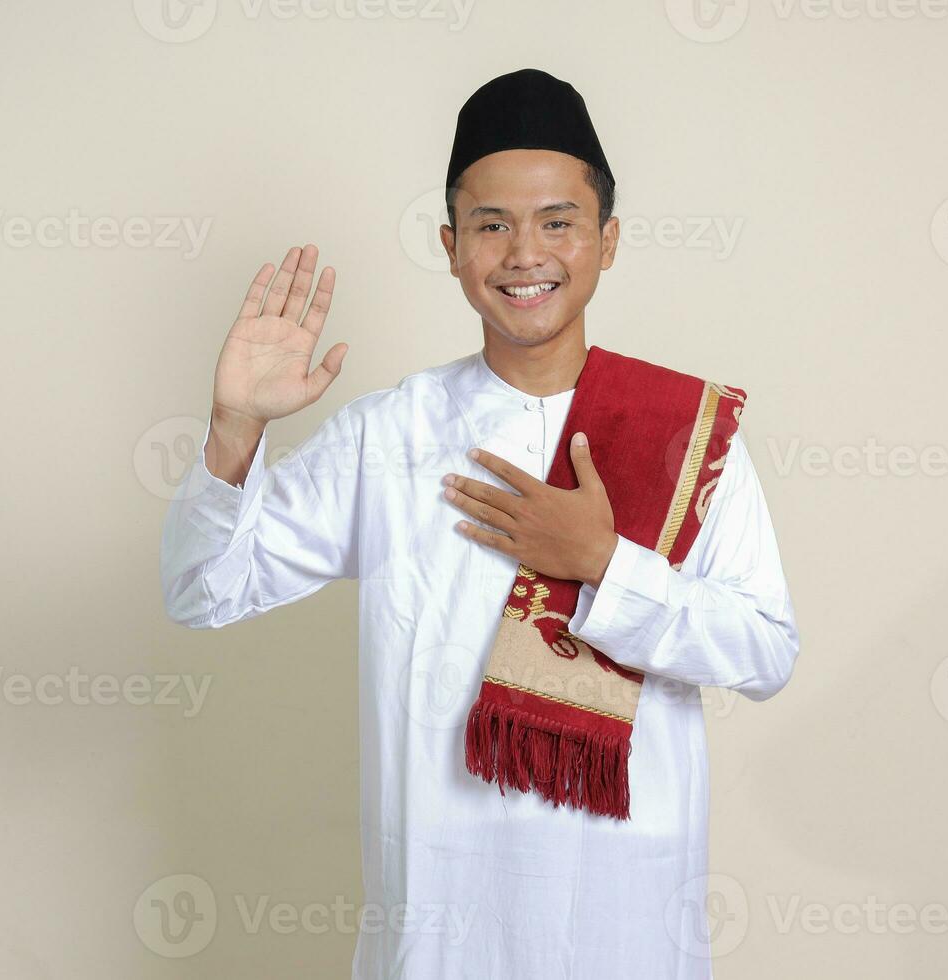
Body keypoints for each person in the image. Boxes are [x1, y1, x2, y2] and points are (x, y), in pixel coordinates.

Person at [160, 67, 800, 980]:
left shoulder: (684, 439)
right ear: (452, 245)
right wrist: (236, 428)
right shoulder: (390, 435)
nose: (524, 253)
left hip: (627, 926)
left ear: (607, 240)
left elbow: (766, 650)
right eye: (492, 225)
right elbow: (200, 589)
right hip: (441, 930)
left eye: (558, 222)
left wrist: (603, 566)